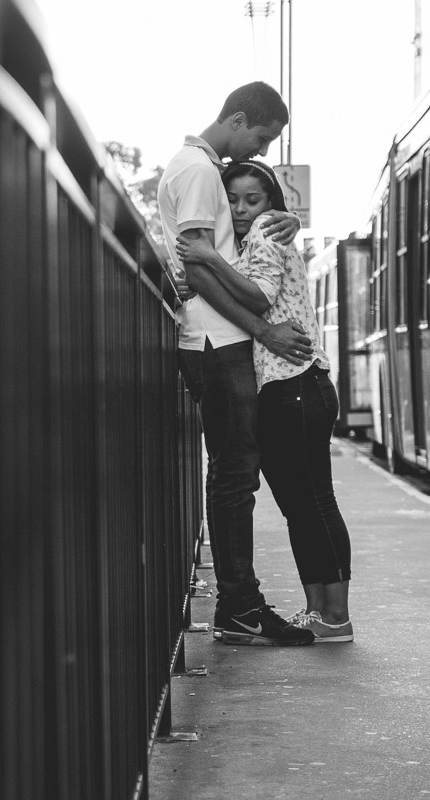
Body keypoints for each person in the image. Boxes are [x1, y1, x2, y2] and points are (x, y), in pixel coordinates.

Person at [158, 81, 315, 646]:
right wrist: (265, 330)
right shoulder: (198, 171)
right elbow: (199, 269)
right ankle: (241, 608)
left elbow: (216, 254)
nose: (263, 150)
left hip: (218, 340)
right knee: (234, 476)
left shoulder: (199, 168)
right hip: (216, 342)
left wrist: (287, 220)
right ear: (240, 119)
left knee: (234, 473)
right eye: (263, 138)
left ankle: (240, 605)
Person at [176, 160, 354, 643]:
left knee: (313, 502)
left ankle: (336, 615)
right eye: (232, 200)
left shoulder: (264, 233)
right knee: (301, 505)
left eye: (252, 200)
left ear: (270, 203)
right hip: (287, 387)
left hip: (296, 384)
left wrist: (208, 259)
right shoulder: (252, 239)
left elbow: (258, 297)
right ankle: (319, 612)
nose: (240, 209)